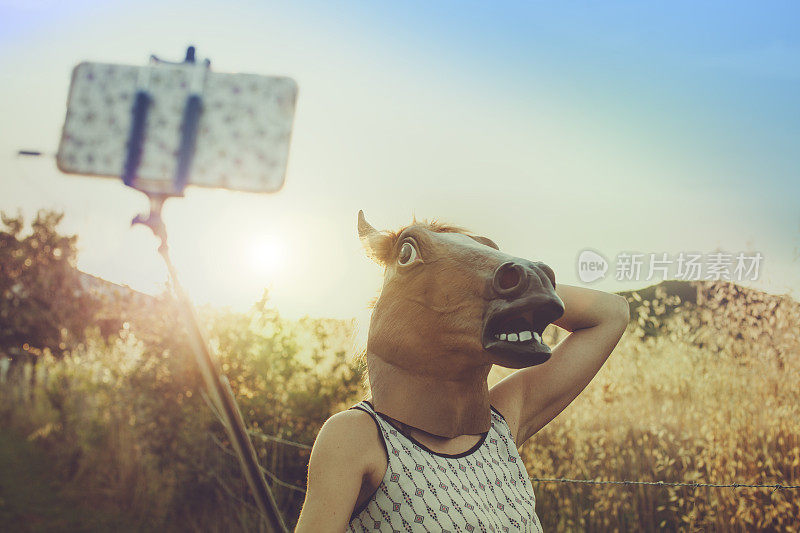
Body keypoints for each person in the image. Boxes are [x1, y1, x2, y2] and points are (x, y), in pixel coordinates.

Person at [295, 212, 629, 532]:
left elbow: (612, 313)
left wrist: (526, 279)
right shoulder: (357, 436)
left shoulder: (499, 425)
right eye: (409, 253)